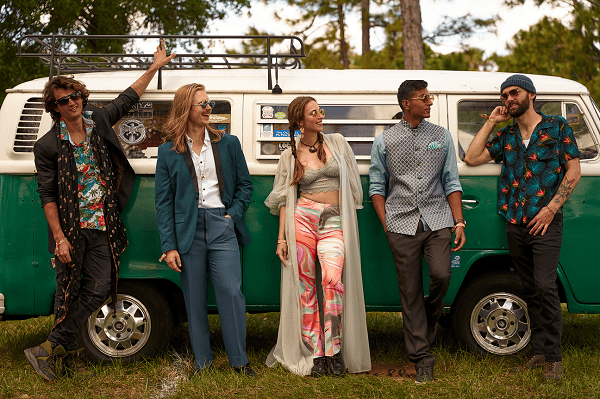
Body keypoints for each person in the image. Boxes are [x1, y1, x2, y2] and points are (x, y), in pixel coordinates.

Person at [26, 40, 175, 381]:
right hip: (71, 230)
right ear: (56, 108)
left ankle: (48, 348)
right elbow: (47, 194)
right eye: (64, 100)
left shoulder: (99, 121)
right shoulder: (47, 145)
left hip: (104, 224)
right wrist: (60, 238)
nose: (73, 102)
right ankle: (56, 353)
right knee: (67, 293)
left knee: (98, 287)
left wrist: (154, 68)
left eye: (76, 95)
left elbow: (128, 97)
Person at [464, 74, 581, 382]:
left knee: (545, 286)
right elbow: (472, 157)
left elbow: (573, 170)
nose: (508, 99)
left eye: (514, 92)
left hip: (545, 222)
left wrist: (551, 209)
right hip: (515, 222)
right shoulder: (508, 136)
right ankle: (539, 352)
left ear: (531, 94)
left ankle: (553, 359)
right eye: (504, 96)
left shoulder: (556, 127)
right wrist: (492, 120)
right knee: (529, 288)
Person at [264, 96, 371, 377]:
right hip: (302, 219)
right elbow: (284, 198)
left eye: (320, 110)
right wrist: (281, 239)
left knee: (332, 281)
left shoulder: (337, 142)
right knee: (306, 288)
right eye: (315, 113)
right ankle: (317, 353)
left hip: (334, 219)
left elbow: (352, 185)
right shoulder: (290, 154)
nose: (321, 116)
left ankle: (334, 349)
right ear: (301, 121)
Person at [369, 80, 466, 383]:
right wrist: (388, 225)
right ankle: (421, 355)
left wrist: (459, 221)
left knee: (441, 274)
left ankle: (430, 317)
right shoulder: (384, 141)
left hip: (438, 220)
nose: (430, 101)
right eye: (423, 98)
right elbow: (376, 188)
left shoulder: (442, 136)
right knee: (409, 291)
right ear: (405, 104)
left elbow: (451, 180)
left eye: (429, 96)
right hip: (401, 224)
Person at [154, 83, 255, 376]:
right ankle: (202, 362)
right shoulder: (168, 152)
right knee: (194, 298)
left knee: (230, 292)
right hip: (189, 231)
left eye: (209, 103)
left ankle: (239, 361)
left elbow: (245, 185)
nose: (209, 108)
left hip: (222, 225)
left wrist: (232, 215)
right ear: (187, 108)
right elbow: (164, 203)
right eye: (203, 104)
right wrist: (168, 245)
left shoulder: (229, 143)